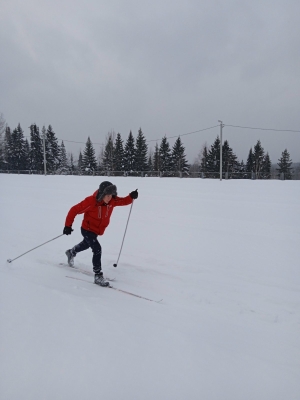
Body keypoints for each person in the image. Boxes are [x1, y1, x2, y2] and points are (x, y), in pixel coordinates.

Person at [63, 181, 138, 286]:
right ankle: (98, 275)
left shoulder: (112, 201)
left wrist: (131, 196)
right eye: (107, 196)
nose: (109, 198)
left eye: (111, 196)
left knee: (86, 244)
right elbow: (74, 210)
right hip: (87, 229)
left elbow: (123, 201)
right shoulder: (91, 201)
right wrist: (68, 226)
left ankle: (71, 252)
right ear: (102, 194)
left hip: (96, 231)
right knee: (97, 249)